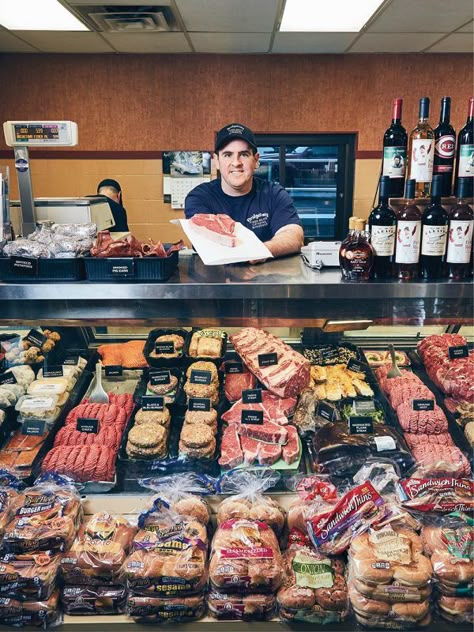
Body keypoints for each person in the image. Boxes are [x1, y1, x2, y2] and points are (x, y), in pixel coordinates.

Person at [184, 123, 304, 263]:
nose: (236, 163)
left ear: (256, 160)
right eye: (227, 155)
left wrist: (262, 251)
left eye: (244, 155)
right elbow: (205, 243)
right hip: (215, 281)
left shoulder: (274, 194)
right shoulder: (199, 197)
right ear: (216, 161)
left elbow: (294, 236)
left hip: (267, 281)